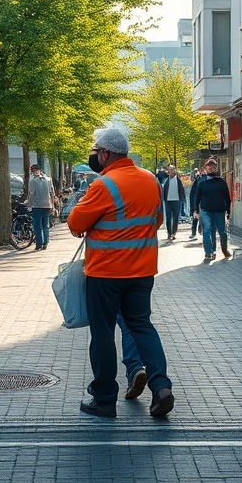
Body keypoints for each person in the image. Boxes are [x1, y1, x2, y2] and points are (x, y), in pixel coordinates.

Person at [68, 127, 175, 419]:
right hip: (142, 271)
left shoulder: (103, 185)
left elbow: (75, 223)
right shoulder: (150, 180)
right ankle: (161, 387)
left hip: (105, 273)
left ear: (104, 153)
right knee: (141, 326)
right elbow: (158, 220)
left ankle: (104, 399)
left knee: (103, 333)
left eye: (96, 152)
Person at [192, 158, 231, 261]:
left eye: (213, 167)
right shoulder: (202, 182)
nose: (211, 169)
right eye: (209, 167)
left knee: (222, 232)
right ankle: (208, 253)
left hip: (219, 211)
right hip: (206, 211)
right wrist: (196, 210)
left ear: (216, 168)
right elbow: (197, 197)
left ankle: (224, 250)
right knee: (207, 231)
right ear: (206, 168)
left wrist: (229, 211)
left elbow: (227, 197)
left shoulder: (221, 182)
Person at [27, 163, 56, 251]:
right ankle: (46, 241)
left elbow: (31, 194)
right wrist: (52, 206)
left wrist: (29, 204)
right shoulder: (48, 179)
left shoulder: (32, 180)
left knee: (37, 225)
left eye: (34, 171)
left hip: (37, 205)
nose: (34, 173)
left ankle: (39, 244)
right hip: (47, 205)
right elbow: (52, 193)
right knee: (45, 224)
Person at [162, 165, 186, 241]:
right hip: (168, 201)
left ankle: (174, 233)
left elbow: (182, 190)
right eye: (168, 170)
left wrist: (182, 200)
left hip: (176, 201)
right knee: (168, 218)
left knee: (175, 218)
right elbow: (164, 191)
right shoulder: (166, 181)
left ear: (174, 170)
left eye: (171, 170)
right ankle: (169, 233)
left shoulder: (178, 180)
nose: (169, 171)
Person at [188, 168, 201, 239]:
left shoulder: (200, 182)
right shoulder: (196, 183)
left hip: (200, 203)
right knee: (196, 218)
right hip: (197, 203)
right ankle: (194, 231)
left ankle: (196, 230)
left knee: (198, 218)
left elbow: (192, 195)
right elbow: (192, 195)